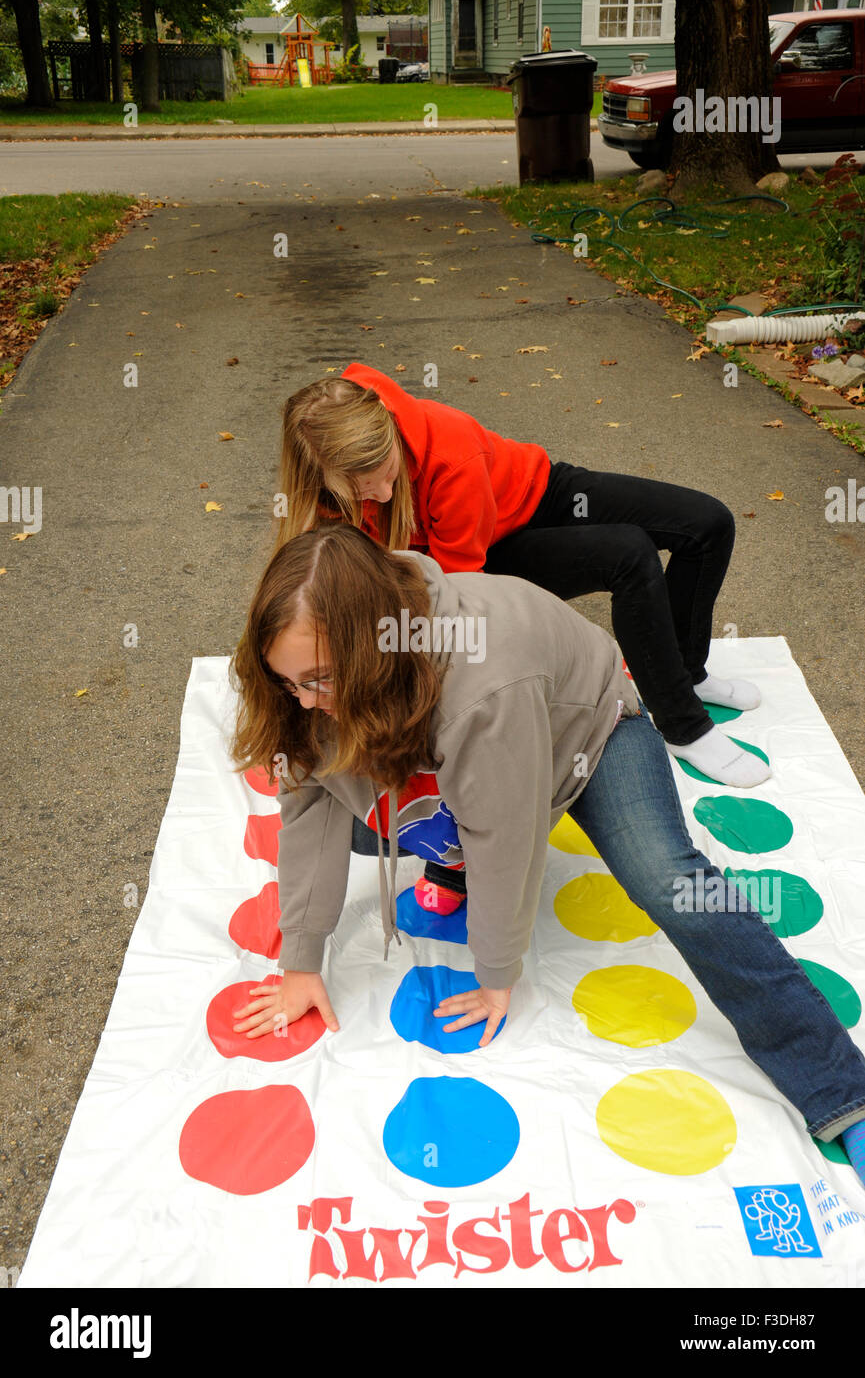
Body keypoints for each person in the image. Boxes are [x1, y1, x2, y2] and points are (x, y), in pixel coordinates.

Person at [228, 521, 865, 1185]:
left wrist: (495, 969)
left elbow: (504, 835)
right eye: (288, 682)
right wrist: (300, 961)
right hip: (476, 754)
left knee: (668, 881)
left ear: (370, 647)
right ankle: (447, 854)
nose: (304, 701)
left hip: (587, 731)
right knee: (369, 820)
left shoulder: (484, 686)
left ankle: (841, 1093)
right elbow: (308, 806)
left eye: (320, 680)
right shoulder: (316, 683)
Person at [275, 364, 770, 806]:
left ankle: (685, 673)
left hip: (537, 494)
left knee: (708, 524)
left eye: (389, 475)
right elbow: (455, 599)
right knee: (630, 555)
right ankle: (682, 724)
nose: (383, 495)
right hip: (480, 562)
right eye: (364, 491)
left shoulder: (451, 454)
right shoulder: (325, 475)